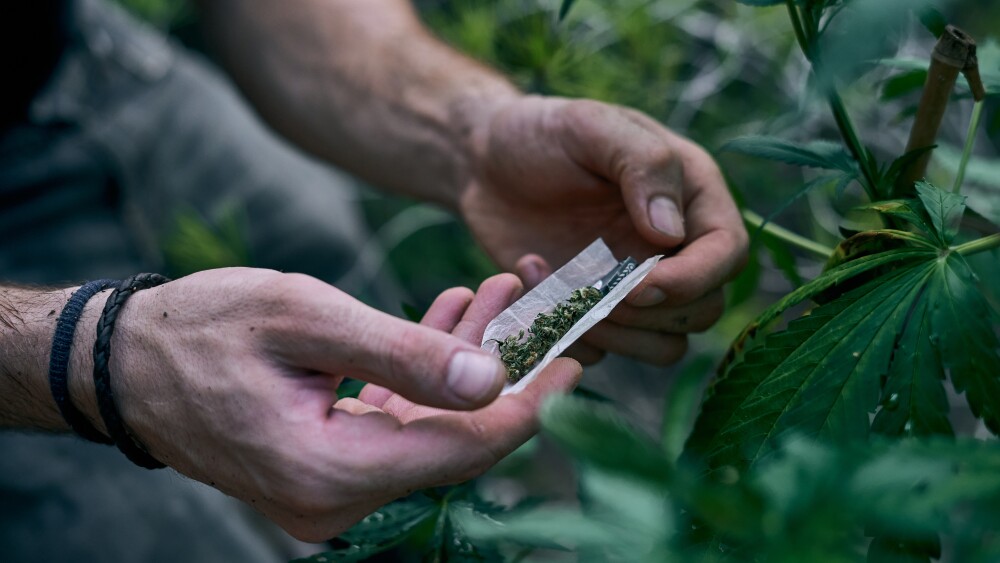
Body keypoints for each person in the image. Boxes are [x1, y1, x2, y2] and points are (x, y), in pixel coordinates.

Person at [0, 0, 747, 558]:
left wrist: (473, 133)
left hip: (79, 55)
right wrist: (85, 356)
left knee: (323, 259)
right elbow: (94, 358)